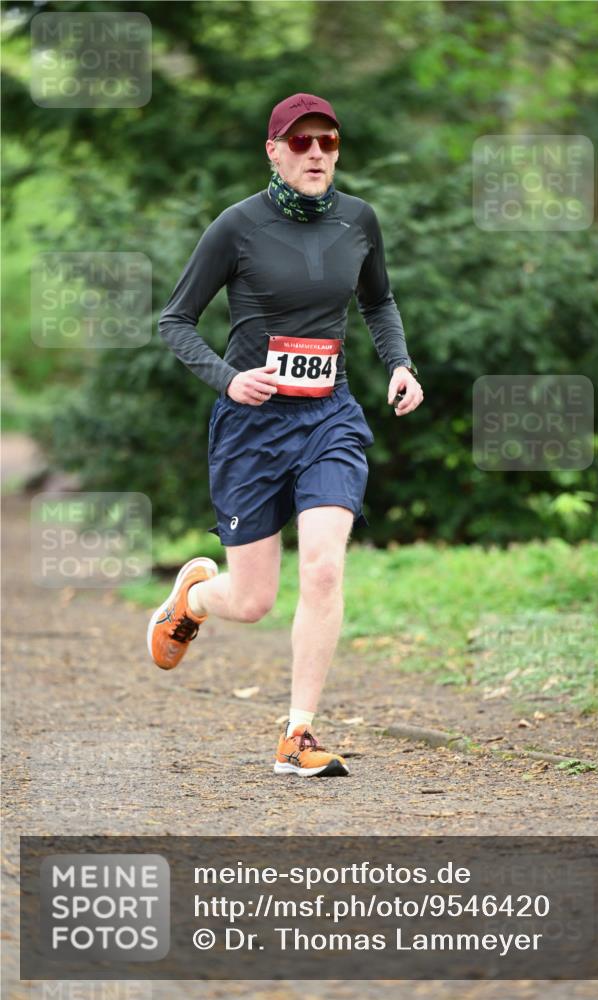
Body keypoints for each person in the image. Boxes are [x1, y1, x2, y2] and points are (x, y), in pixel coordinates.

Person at [147, 92, 423, 777]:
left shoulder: (359, 220)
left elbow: (377, 298)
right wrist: (226, 379)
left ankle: (297, 735)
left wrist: (398, 364)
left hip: (328, 414)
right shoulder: (236, 227)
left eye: (327, 143)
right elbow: (175, 321)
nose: (316, 154)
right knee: (251, 600)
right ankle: (192, 599)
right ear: (273, 150)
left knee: (325, 565)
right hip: (251, 426)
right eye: (300, 143)